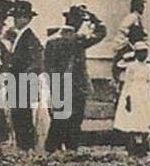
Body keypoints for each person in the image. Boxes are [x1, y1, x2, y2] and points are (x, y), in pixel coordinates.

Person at [44, 10, 106, 152]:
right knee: (74, 121)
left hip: (60, 85)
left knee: (59, 120)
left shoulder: (52, 40)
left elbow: (48, 66)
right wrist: (94, 17)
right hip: (77, 87)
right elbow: (101, 33)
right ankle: (70, 150)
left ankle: (52, 150)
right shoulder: (79, 40)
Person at [4, 1, 44, 150]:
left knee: (23, 117)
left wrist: (25, 78)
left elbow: (37, 62)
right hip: (17, 83)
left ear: (28, 19)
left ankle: (26, 147)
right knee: (18, 116)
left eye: (20, 16)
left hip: (22, 84)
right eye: (15, 16)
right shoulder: (19, 37)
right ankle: (23, 147)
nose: (16, 20)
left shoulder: (29, 37)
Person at [113, 41, 150, 156]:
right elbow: (128, 83)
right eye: (140, 52)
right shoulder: (131, 67)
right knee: (133, 120)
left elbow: (149, 81)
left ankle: (143, 145)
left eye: (145, 52)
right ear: (136, 54)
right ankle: (132, 146)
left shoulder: (148, 67)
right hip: (134, 93)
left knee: (146, 119)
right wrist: (127, 98)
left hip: (145, 94)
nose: (143, 55)